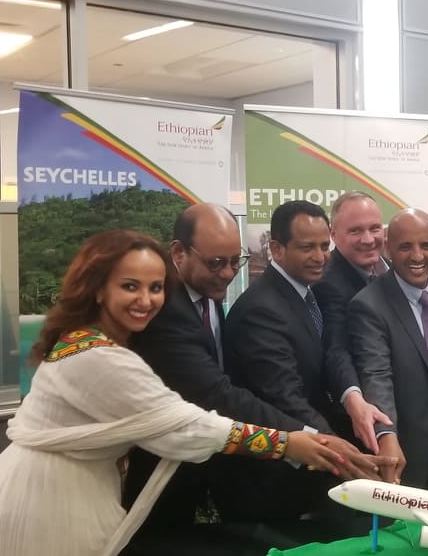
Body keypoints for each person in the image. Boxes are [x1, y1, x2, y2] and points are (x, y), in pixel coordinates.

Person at [0, 231, 394, 556]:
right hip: (43, 499)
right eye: (130, 286)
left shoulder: (94, 342)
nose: (146, 300)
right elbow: (186, 424)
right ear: (97, 289)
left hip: (61, 488)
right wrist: (289, 443)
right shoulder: (100, 357)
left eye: (156, 288)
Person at [126, 204, 367, 525]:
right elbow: (220, 394)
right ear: (179, 253)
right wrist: (313, 441)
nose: (228, 273)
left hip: (207, 463)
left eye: (234, 261)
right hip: (164, 476)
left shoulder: (207, 295)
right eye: (215, 263)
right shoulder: (168, 313)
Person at [220, 200, 401, 519]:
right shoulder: (261, 310)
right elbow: (285, 396)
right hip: (271, 485)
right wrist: (343, 452)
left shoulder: (304, 292)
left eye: (323, 246)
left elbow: (331, 355)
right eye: (307, 248)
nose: (320, 257)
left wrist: (354, 401)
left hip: (303, 474)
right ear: (276, 249)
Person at [348, 209, 428, 493]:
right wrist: (386, 434)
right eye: (405, 246)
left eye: (426, 245)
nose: (417, 256)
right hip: (408, 450)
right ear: (388, 248)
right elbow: (376, 375)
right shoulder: (368, 305)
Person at [313, 191, 393, 453]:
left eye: (374, 228)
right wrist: (353, 398)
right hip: (362, 424)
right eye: (355, 231)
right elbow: (336, 350)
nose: (368, 239)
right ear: (334, 234)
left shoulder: (393, 271)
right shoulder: (328, 283)